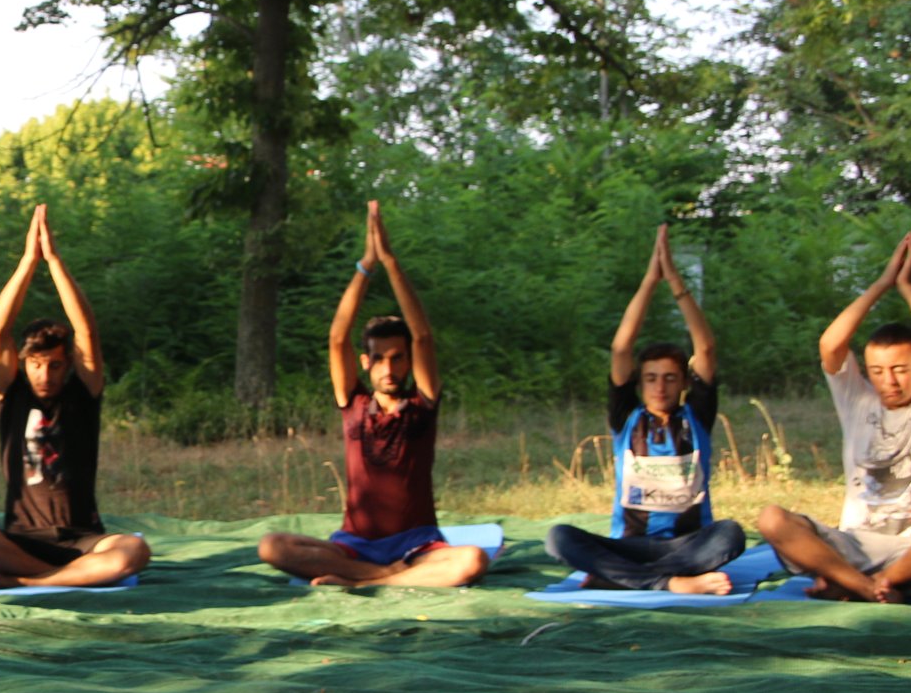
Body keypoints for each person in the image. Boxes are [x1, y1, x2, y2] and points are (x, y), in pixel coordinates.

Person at [258, 202, 489, 588]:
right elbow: (336, 338)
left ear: (410, 361)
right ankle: (384, 575)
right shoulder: (354, 404)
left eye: (398, 359)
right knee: (271, 547)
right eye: (379, 359)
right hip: (354, 546)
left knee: (473, 560)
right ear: (366, 362)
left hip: (417, 545)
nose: (389, 368)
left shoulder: (421, 405)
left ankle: (368, 582)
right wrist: (366, 265)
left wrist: (391, 262)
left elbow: (424, 336)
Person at [756, 232, 911, 601]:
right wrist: (881, 284)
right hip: (851, 548)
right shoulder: (858, 402)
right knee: (771, 518)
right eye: (877, 371)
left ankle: (879, 581)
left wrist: (907, 288)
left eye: (900, 369)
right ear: (866, 372)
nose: (889, 381)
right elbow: (830, 345)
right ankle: (865, 585)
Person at [0, 205, 151, 590]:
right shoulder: (10, 393)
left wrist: (54, 260)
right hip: (22, 538)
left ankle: (26, 582)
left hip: (84, 537)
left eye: (56, 365)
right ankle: (48, 577)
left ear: (68, 364)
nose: (46, 374)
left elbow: (86, 331)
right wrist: (28, 261)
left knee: (134, 553)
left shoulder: (83, 393)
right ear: (24, 364)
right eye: (37, 364)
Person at [543, 224, 750, 594]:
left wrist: (676, 282)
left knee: (731, 534)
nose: (660, 386)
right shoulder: (628, 418)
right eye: (651, 378)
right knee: (559, 538)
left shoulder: (695, 417)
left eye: (670, 378)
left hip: (689, 545)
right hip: (629, 545)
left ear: (685, 383)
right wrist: (649, 282)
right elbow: (621, 350)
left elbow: (706, 350)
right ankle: (670, 583)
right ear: (640, 383)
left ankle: (622, 579)